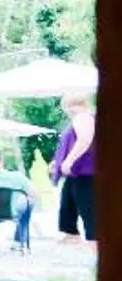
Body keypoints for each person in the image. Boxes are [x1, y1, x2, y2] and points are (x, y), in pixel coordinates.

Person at [50, 99, 97, 244]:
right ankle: (71, 234)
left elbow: (84, 140)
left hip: (85, 169)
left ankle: (94, 238)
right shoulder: (83, 117)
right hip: (78, 171)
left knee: (86, 203)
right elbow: (72, 142)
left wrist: (69, 160)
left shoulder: (83, 117)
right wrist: (58, 161)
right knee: (68, 200)